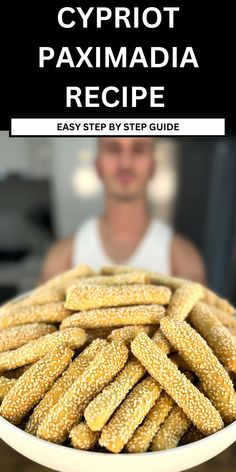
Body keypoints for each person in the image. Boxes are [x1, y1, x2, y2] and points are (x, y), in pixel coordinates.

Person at [39, 137, 206, 283]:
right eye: (113, 149)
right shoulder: (62, 258)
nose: (125, 163)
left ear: (152, 167)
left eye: (138, 149)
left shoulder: (183, 260)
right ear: (98, 166)